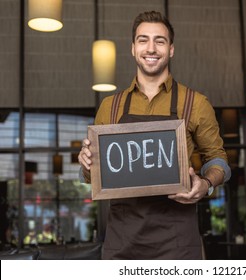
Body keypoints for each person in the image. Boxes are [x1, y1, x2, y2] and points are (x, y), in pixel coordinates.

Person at [78, 10, 230, 260]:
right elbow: (91, 176)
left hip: (178, 243)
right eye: (143, 40)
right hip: (122, 244)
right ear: (133, 48)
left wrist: (206, 184)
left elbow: (219, 160)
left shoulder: (196, 103)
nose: (151, 48)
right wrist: (85, 163)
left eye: (160, 41)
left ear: (171, 49)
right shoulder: (110, 107)